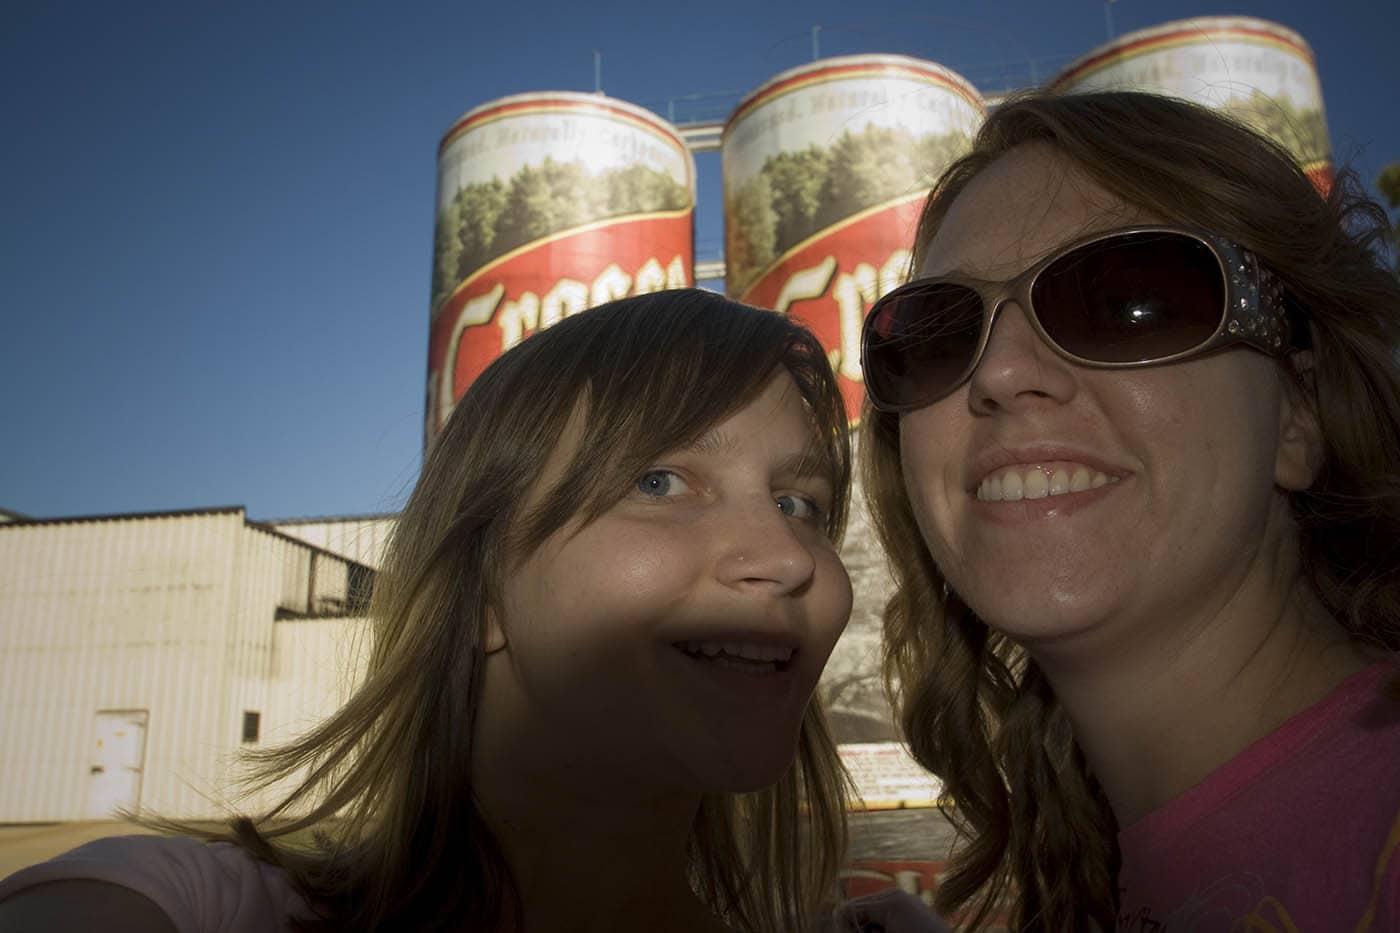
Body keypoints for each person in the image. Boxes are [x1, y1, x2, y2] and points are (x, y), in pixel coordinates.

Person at [0, 290, 868, 933]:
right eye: (660, 482)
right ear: (481, 585)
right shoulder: (177, 906)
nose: (789, 559)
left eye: (801, 504)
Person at [858, 91, 1400, 932]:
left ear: (1299, 409)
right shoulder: (1104, 878)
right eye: (936, 331)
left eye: (1124, 303)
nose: (998, 372)